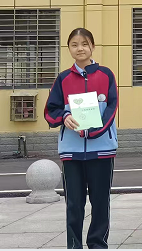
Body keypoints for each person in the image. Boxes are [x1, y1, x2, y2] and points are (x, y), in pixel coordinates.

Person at [45, 28, 118, 249]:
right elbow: (50, 111)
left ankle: (97, 244)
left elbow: (112, 108)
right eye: (75, 45)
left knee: (100, 203)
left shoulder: (106, 75)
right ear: (69, 48)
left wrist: (93, 132)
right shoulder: (63, 79)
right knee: (74, 204)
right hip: (72, 152)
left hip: (102, 149)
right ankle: (74, 245)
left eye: (85, 44)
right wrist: (64, 116)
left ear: (92, 47)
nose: (80, 49)